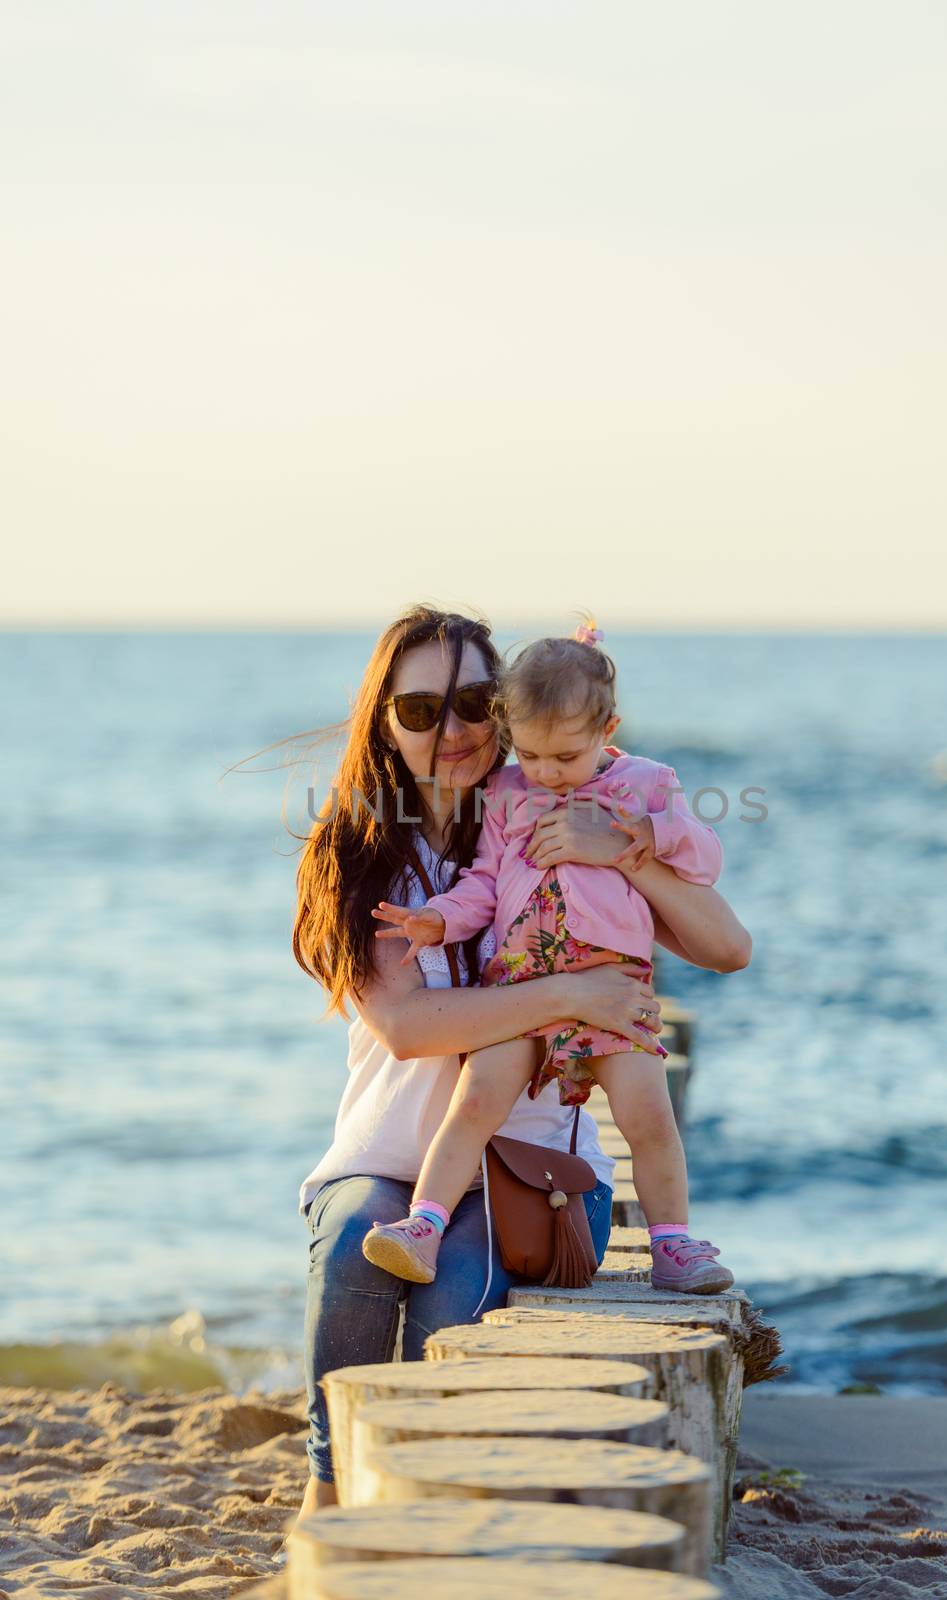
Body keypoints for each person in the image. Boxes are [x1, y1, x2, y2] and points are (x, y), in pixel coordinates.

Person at [290, 605, 752, 1520]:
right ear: (383, 720)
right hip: (389, 1163)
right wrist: (574, 997)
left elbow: (727, 945)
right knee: (353, 1253)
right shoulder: (366, 854)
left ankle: (439, 1503)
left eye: (471, 704)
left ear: (502, 710)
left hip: (532, 1171)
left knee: (454, 1292)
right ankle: (330, 1492)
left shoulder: (566, 813)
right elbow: (413, 1029)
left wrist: (621, 855)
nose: (452, 730)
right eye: (421, 711)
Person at [366, 621, 736, 1296]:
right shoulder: (507, 793)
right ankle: (423, 1224)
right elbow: (482, 882)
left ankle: (673, 1244)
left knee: (648, 1115)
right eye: (530, 755)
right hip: (522, 983)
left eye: (564, 758)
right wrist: (438, 919)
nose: (546, 774)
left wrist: (647, 838)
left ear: (607, 729)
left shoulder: (647, 786)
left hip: (613, 988)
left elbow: (705, 857)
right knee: (476, 1101)